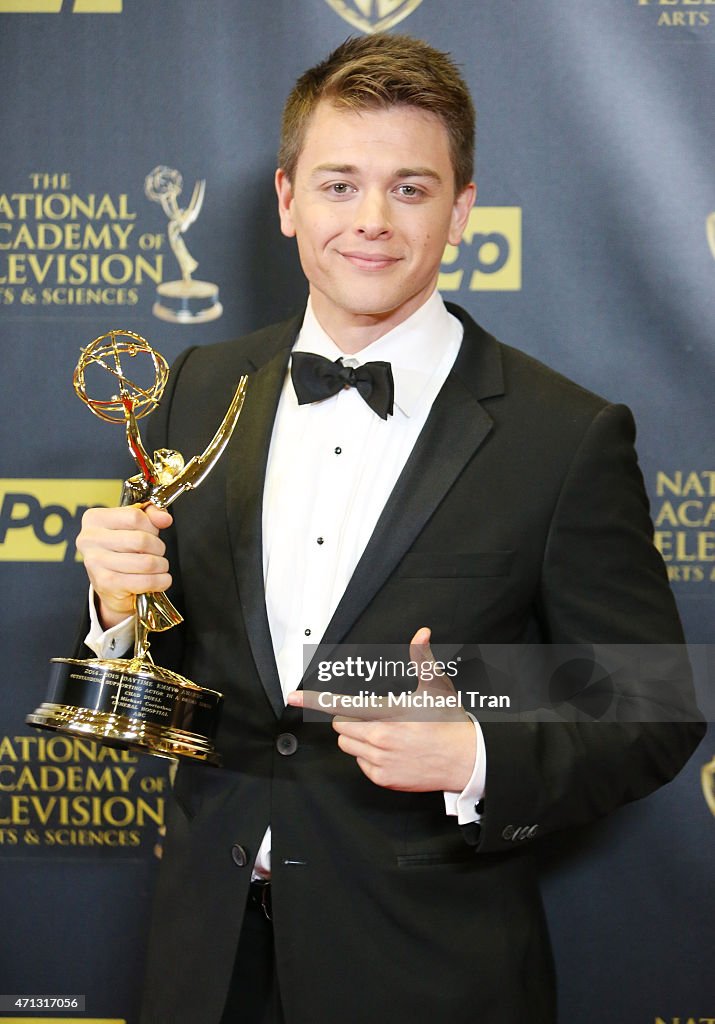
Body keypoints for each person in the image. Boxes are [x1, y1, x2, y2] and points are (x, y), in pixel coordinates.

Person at [75, 34, 704, 1024]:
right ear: (287, 202)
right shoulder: (194, 391)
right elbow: (162, 714)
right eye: (338, 185)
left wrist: (479, 757)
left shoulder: (563, 434)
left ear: (461, 211)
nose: (370, 220)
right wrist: (116, 617)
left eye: (410, 189)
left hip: (430, 974)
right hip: (202, 964)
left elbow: (654, 707)